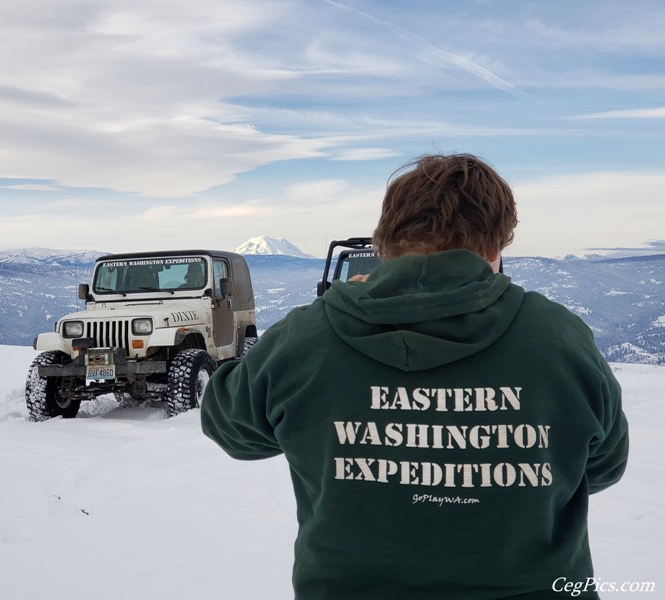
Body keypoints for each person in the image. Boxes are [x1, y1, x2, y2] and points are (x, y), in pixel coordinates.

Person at [201, 153, 629, 600]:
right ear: (495, 245)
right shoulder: (558, 337)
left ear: (385, 240)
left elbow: (231, 427)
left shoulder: (307, 335)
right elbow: (600, 467)